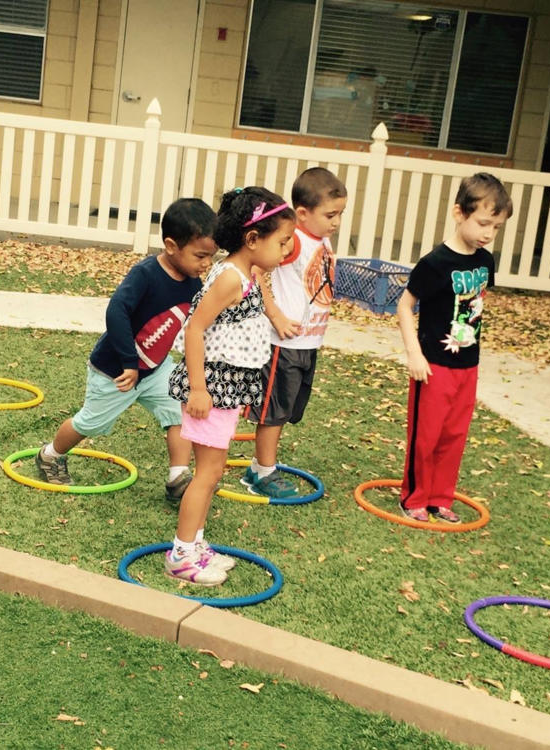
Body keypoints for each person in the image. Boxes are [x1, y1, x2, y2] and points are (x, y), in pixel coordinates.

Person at [35, 198, 218, 500]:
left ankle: (178, 477)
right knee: (89, 423)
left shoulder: (193, 283)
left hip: (156, 370)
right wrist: (129, 363)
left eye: (210, 256)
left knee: (178, 410)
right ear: (171, 246)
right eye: (200, 255)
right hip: (116, 371)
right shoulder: (146, 274)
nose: (206, 264)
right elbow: (116, 312)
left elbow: (201, 321)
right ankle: (50, 454)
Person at [165, 187, 295, 586]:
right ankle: (181, 555)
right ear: (252, 239)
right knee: (206, 473)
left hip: (229, 385)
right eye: (283, 241)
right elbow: (195, 330)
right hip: (212, 386)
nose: (287, 250)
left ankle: (196, 544)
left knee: (214, 469)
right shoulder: (228, 278)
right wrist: (200, 390)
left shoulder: (249, 272)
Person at [396, 173, 512, 523]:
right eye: (483, 223)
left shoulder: (484, 261)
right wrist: (414, 354)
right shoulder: (435, 264)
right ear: (459, 213)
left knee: (454, 435)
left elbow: (473, 305)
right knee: (426, 436)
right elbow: (404, 306)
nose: (489, 233)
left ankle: (440, 498)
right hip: (433, 364)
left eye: (496, 227)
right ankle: (414, 497)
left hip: (468, 364)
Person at [242, 167, 347, 498]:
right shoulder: (296, 241)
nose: (337, 222)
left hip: (307, 343)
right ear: (303, 213)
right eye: (331, 214)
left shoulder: (321, 240)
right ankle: (262, 473)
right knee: (273, 412)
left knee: (287, 410)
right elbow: (256, 269)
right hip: (283, 344)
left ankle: (262, 465)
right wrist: (275, 314)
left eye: (340, 214)